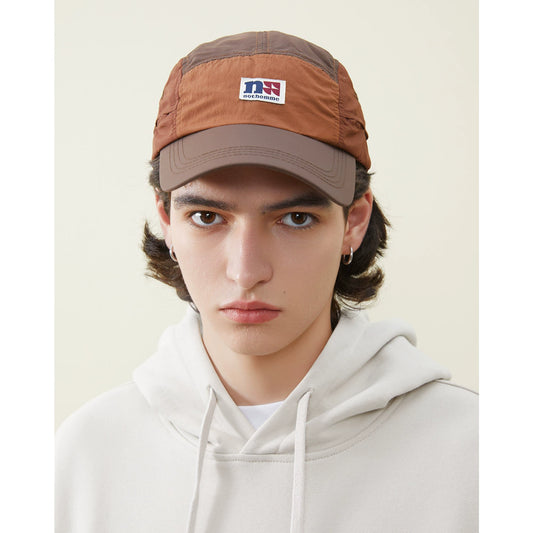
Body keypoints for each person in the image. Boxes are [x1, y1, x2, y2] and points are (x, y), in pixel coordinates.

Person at [55, 31, 478, 532]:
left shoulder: (474, 454)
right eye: (207, 217)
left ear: (355, 221)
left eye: (296, 218)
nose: (247, 270)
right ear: (166, 220)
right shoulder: (88, 457)